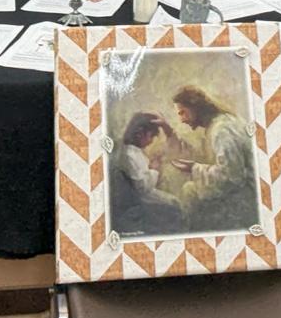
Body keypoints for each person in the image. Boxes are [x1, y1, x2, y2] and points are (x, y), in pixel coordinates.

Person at [169, 86, 257, 232]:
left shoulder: (222, 130)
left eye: (182, 112)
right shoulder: (222, 123)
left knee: (189, 192)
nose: (182, 120)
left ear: (195, 107)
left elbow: (231, 176)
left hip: (246, 199)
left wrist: (194, 168)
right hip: (245, 191)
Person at [110, 112, 183, 236]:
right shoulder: (129, 155)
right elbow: (142, 187)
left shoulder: (134, 152)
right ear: (139, 134)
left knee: (174, 201)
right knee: (174, 205)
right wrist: (154, 170)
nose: (152, 141)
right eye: (151, 136)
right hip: (138, 200)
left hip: (142, 195)